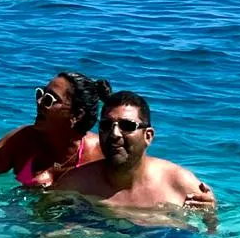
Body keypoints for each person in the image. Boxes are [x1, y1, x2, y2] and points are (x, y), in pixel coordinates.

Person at [51, 90, 216, 216]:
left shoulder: (180, 185)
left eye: (127, 126)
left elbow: (210, 232)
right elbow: (44, 223)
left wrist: (210, 212)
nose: (114, 134)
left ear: (148, 136)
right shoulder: (75, 184)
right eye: (106, 126)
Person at [0, 71, 109, 187]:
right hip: (26, 220)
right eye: (40, 94)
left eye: (49, 100)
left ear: (77, 114)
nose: (39, 102)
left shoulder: (98, 154)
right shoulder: (23, 141)